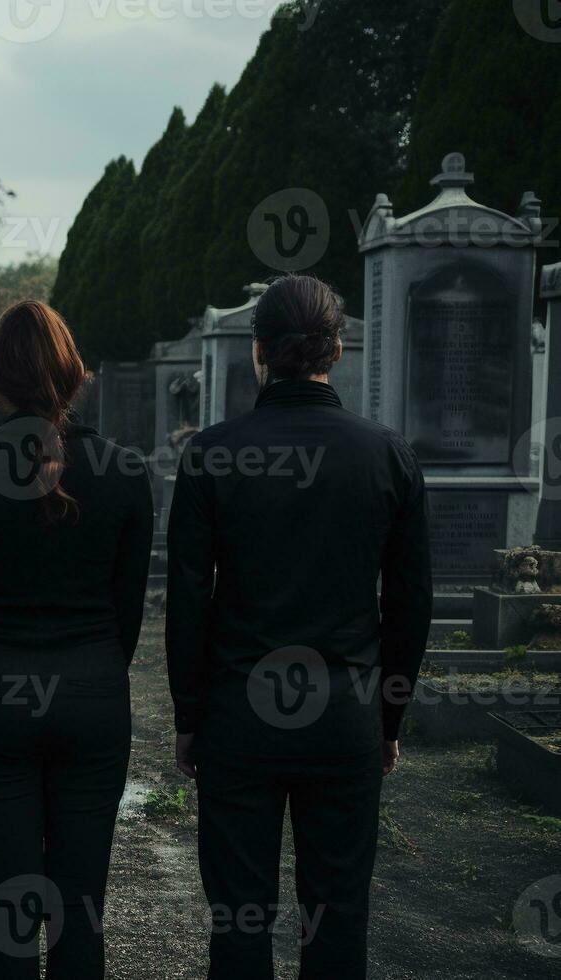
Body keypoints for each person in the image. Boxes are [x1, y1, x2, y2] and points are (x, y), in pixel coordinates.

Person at [165, 275, 432, 979]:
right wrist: (390, 716)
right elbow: (409, 601)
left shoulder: (213, 453)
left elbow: (189, 597)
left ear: (259, 351)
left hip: (239, 713)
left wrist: (189, 714)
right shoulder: (386, 454)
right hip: (345, 712)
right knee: (338, 912)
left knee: (240, 917)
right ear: (335, 350)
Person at [0, 300, 152, 979]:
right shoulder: (122, 471)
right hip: (91, 688)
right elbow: (128, 608)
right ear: (73, 373)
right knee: (80, 902)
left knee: (7, 900)